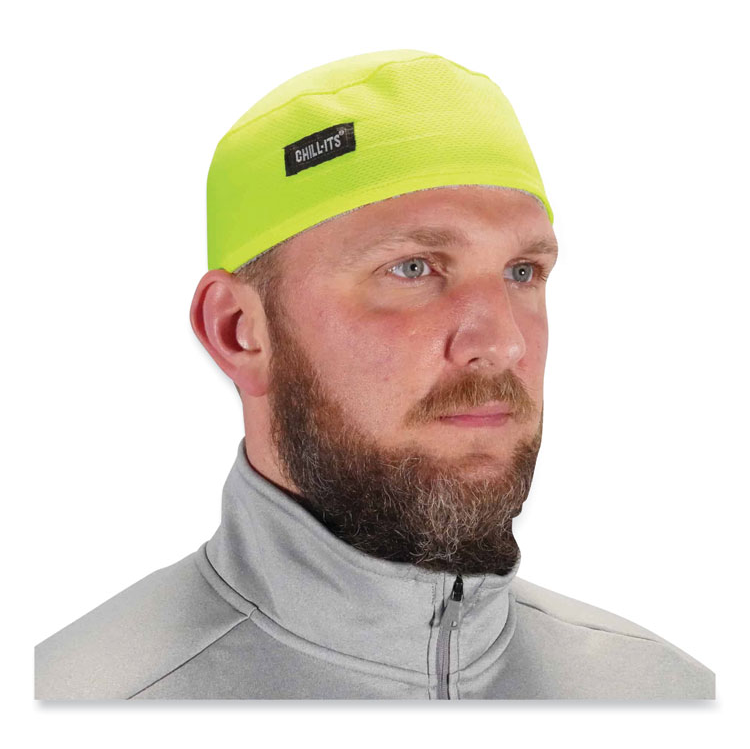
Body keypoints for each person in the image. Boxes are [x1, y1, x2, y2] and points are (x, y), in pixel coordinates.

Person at [34, 48, 715, 700]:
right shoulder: (71, 708)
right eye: (413, 268)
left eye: (522, 272)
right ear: (239, 331)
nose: (503, 343)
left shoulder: (667, 696)